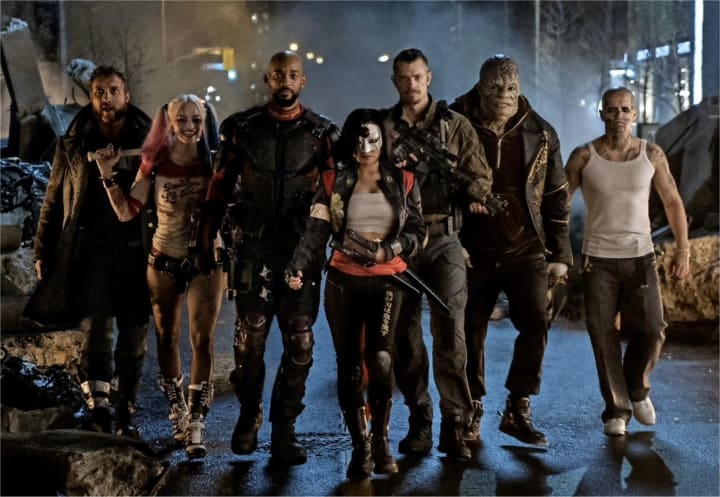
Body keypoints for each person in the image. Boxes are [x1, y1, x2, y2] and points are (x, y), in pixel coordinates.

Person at [203, 50, 339, 465]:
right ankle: (249, 416)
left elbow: (334, 194)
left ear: (303, 81)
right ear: (268, 79)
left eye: (293, 74)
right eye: (279, 74)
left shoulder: (322, 133)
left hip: (301, 248)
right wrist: (205, 238)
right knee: (250, 338)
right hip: (253, 246)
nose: (285, 80)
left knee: (300, 340)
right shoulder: (242, 128)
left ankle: (285, 428)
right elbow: (220, 185)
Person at [286, 108, 425, 478]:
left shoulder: (404, 181)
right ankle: (360, 445)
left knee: (380, 360)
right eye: (360, 141)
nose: (366, 148)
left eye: (373, 140)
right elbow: (316, 231)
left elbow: (417, 231)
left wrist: (389, 249)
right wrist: (298, 266)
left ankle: (381, 440)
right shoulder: (333, 181)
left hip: (388, 280)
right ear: (349, 141)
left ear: (383, 141)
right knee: (349, 368)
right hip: (343, 280)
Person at [451, 54, 572, 447]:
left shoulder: (541, 132)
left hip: (526, 247)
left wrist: (560, 255)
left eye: (512, 88)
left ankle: (518, 406)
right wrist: (452, 239)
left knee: (536, 321)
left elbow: (556, 195)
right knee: (469, 329)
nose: (505, 95)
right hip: (471, 249)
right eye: (496, 87)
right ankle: (470, 407)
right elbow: (434, 185)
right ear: (480, 88)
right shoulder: (453, 123)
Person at [93, 94, 223, 458]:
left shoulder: (215, 162)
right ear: (169, 123)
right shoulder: (154, 164)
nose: (190, 127)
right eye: (182, 119)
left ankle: (196, 421)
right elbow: (126, 212)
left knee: (202, 339)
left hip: (206, 260)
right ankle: (177, 410)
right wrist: (107, 174)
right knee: (167, 338)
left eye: (196, 119)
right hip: (164, 258)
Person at [27, 66, 151, 438]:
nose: (106, 98)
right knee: (96, 330)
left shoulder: (147, 139)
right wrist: (42, 248)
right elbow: (54, 198)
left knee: (134, 334)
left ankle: (126, 410)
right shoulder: (74, 139)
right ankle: (99, 410)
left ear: (126, 95)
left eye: (113, 90)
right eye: (99, 91)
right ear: (92, 97)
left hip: (136, 250)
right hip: (91, 249)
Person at [382, 48, 493, 460]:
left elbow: (480, 175)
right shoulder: (384, 128)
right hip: (398, 242)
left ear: (428, 77)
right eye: (404, 78)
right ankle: (420, 419)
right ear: (395, 81)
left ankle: (455, 424)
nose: (411, 84)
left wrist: (473, 194)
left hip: (444, 237)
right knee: (403, 338)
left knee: (451, 335)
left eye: (417, 77)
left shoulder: (454, 125)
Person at [565, 87, 690, 436]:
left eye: (624, 109)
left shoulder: (651, 154)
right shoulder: (584, 157)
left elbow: (672, 201)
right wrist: (557, 253)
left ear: (634, 114)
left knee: (652, 328)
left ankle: (636, 387)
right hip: (598, 260)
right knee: (603, 334)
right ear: (602, 114)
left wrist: (683, 251)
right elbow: (560, 203)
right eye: (612, 109)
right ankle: (616, 410)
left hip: (640, 256)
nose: (618, 115)